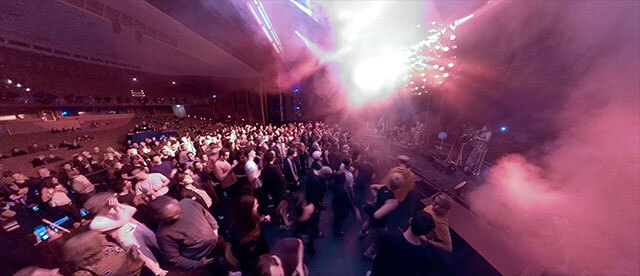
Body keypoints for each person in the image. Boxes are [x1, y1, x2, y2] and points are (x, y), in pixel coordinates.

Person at [84, 193, 167, 276]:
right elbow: (122, 220)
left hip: (137, 227)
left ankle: (170, 255)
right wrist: (117, 208)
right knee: (143, 253)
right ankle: (158, 272)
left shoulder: (114, 208)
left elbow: (133, 209)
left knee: (156, 240)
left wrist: (119, 205)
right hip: (126, 236)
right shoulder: (96, 223)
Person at [150, 196, 225, 272]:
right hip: (204, 259)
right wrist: (199, 264)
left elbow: (206, 214)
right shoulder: (163, 235)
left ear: (176, 201)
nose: (176, 217)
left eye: (177, 212)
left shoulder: (188, 202)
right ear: (160, 217)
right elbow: (174, 259)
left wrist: (215, 230)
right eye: (170, 217)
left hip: (217, 242)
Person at [370, 211, 436, 276]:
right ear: (426, 233)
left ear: (410, 220)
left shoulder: (389, 238)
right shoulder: (426, 256)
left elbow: (379, 258)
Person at [62, 231, 145, 276]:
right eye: (98, 237)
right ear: (89, 247)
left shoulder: (110, 245)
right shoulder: (85, 272)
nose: (104, 235)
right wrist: (130, 261)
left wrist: (131, 254)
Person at [360, 173, 403, 259]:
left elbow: (372, 186)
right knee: (382, 235)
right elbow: (377, 215)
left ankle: (361, 233)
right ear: (399, 188)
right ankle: (369, 253)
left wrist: (376, 197)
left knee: (368, 222)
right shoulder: (393, 201)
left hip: (372, 211)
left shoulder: (383, 187)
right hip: (379, 220)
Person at [229, 195, 270, 275]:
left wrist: (262, 220)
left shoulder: (247, 219)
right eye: (255, 205)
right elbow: (247, 257)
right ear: (248, 210)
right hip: (256, 260)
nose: (258, 205)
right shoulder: (243, 237)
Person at [331, 171, 360, 236]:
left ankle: (334, 224)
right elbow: (348, 203)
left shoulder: (334, 185)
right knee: (340, 219)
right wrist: (355, 211)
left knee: (336, 216)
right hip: (341, 207)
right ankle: (337, 231)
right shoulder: (343, 191)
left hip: (335, 203)